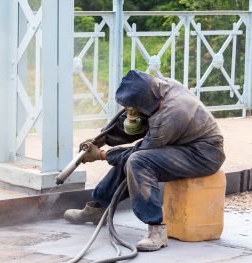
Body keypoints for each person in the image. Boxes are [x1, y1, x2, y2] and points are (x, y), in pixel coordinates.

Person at [64, 70, 225, 252]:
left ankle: (157, 230)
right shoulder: (157, 89)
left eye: (134, 108)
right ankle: (98, 207)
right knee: (132, 161)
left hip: (204, 154)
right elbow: (135, 120)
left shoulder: (173, 113)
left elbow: (140, 151)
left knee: (138, 161)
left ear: (146, 104)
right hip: (180, 142)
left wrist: (101, 155)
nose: (130, 112)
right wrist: (104, 137)